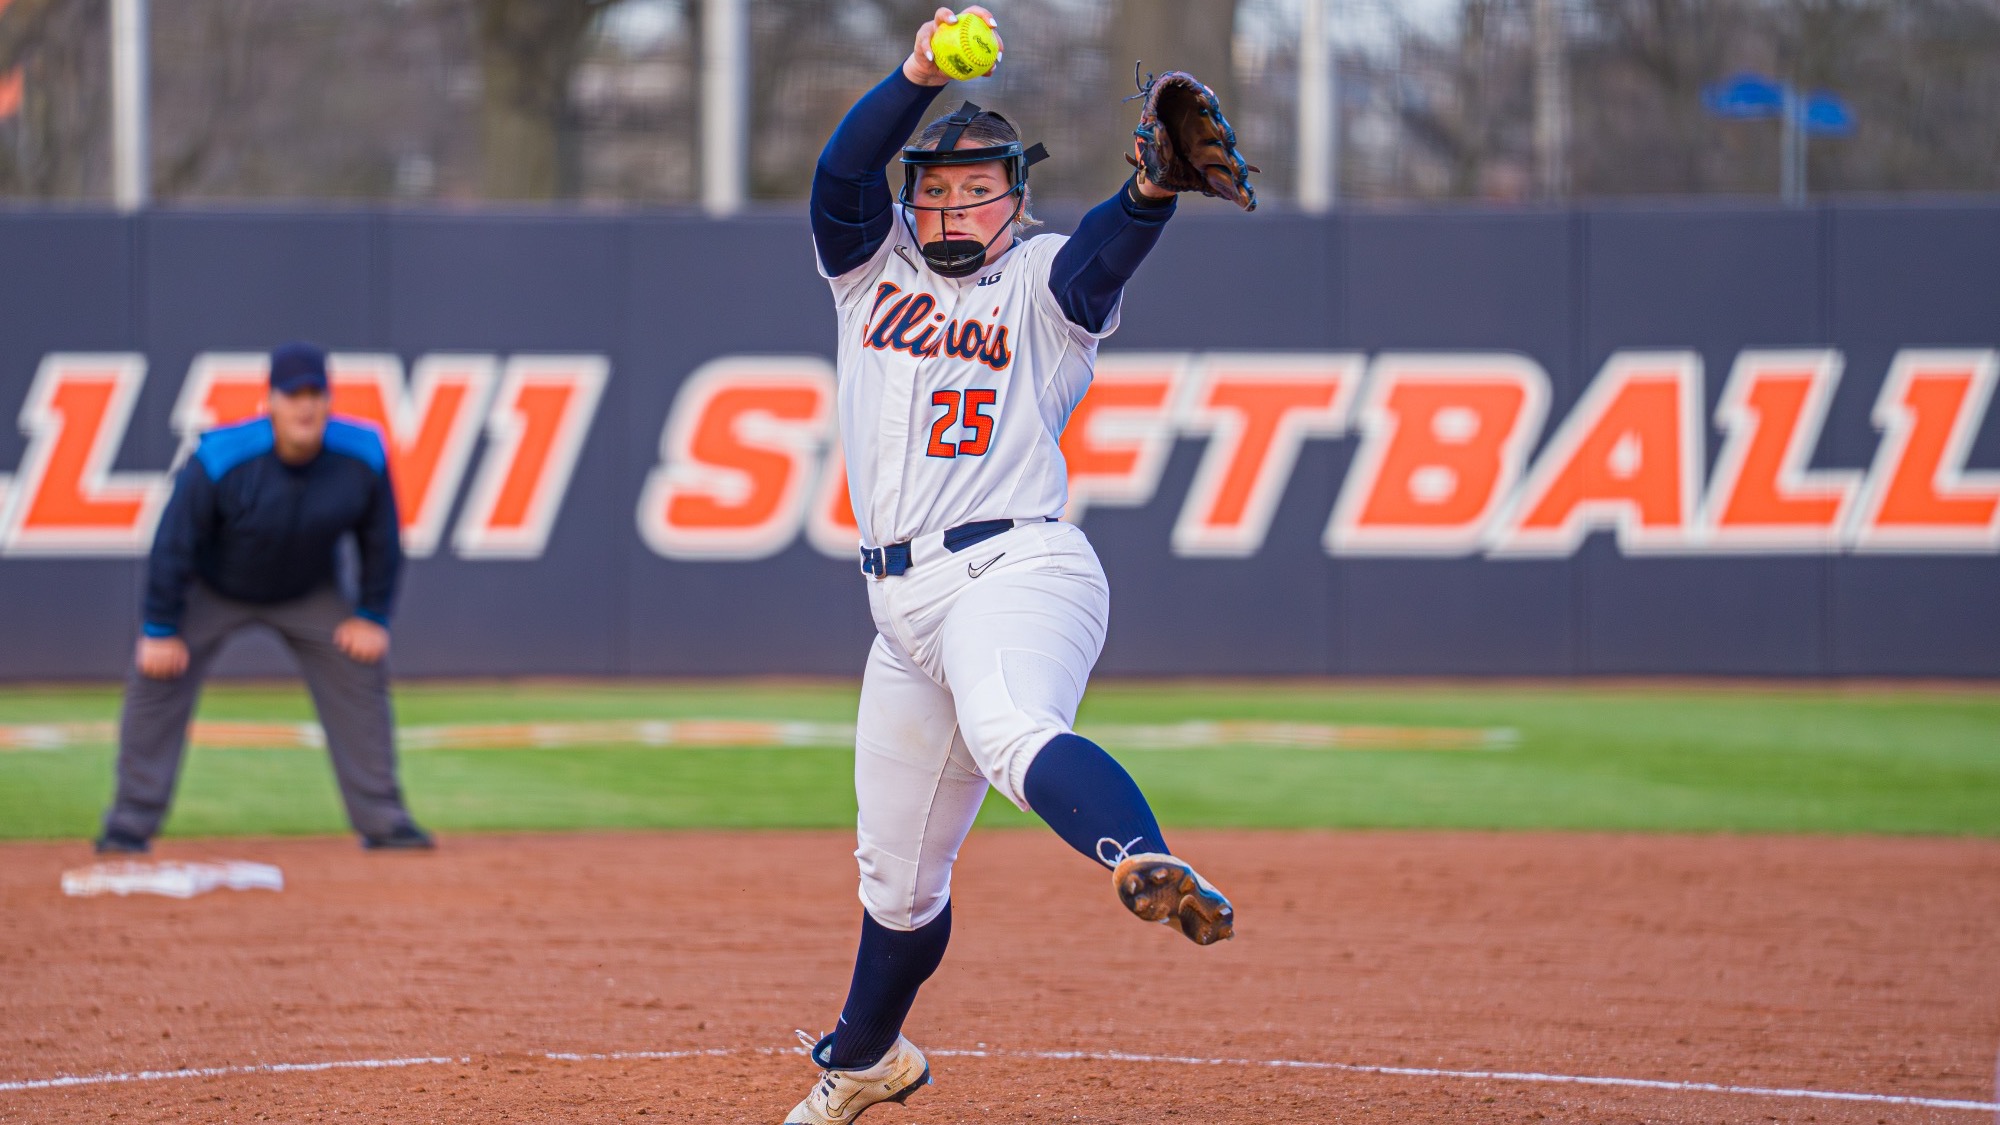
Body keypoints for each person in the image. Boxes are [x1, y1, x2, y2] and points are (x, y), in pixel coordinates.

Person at [784, 9, 1236, 1123]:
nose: (950, 206)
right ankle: (865, 1059)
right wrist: (916, 71)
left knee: (1010, 729)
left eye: (975, 188)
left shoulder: (1041, 279)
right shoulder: (868, 269)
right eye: (933, 189)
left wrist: (1151, 191)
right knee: (895, 879)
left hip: (1015, 569)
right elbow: (840, 173)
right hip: (900, 612)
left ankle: (1143, 861)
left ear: (1015, 197)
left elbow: (1102, 253)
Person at [95, 342, 433, 855]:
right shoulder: (221, 456)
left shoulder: (362, 453)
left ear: (329, 400)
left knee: (359, 665)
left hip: (308, 590)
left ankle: (384, 820)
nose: (305, 406)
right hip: (214, 588)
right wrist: (160, 627)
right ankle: (128, 824)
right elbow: (175, 541)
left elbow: (382, 539)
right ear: (270, 401)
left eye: (315, 394)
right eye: (293, 395)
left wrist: (371, 615)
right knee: (157, 675)